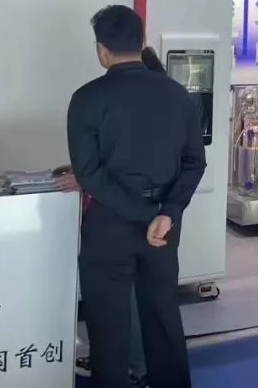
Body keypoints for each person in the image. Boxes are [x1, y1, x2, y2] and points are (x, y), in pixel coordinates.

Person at [69, 7, 206, 388]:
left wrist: (144, 214)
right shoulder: (178, 95)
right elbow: (195, 162)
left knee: (108, 323)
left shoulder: (87, 99)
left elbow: (88, 173)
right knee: (162, 316)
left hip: (110, 223)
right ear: (143, 41)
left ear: (101, 50)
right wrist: (167, 212)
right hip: (163, 225)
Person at [68, 46, 170, 388]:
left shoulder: (108, 101)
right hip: (153, 218)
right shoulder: (165, 105)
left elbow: (118, 166)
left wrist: (88, 178)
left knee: (124, 301)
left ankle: (133, 368)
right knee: (140, 299)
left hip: (126, 219)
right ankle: (134, 367)